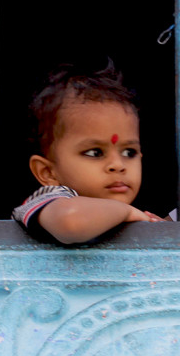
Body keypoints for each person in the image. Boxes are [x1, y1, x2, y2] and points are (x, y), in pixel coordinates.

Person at [13, 62, 170, 244]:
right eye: (95, 153)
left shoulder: (128, 216)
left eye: (129, 152)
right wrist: (127, 212)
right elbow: (72, 221)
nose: (118, 165)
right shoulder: (49, 201)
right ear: (47, 172)